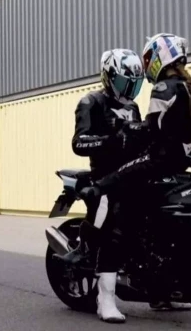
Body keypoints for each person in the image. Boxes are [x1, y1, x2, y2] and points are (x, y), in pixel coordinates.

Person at [83, 33, 191, 323]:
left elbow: (151, 130)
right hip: (172, 162)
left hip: (159, 162)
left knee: (158, 222)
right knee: (118, 217)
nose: (147, 65)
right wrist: (118, 138)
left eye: (150, 58)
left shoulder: (161, 89)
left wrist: (131, 132)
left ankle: (161, 291)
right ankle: (105, 298)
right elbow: (187, 130)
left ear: (161, 57)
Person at [55, 48, 145, 267]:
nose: (129, 89)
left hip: (131, 172)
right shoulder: (91, 102)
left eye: (134, 84)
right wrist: (111, 140)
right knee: (105, 204)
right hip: (104, 174)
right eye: (125, 83)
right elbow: (78, 142)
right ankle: (84, 251)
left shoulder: (133, 107)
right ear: (109, 76)